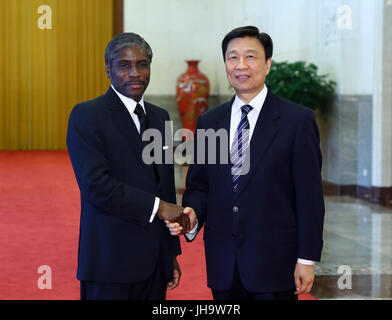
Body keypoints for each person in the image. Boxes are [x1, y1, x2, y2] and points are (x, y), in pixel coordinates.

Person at [166, 26, 325, 300]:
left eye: (250, 57)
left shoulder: (297, 121)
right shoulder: (209, 122)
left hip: (275, 263)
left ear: (268, 65)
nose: (241, 65)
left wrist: (307, 259)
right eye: (232, 57)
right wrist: (193, 214)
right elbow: (199, 186)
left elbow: (309, 197)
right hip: (223, 263)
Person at [66, 32, 190, 300]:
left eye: (142, 64)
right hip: (109, 263)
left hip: (155, 264)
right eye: (125, 65)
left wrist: (170, 254)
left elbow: (165, 186)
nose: (135, 73)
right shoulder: (87, 116)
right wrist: (157, 207)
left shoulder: (160, 117)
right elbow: (96, 187)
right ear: (108, 70)